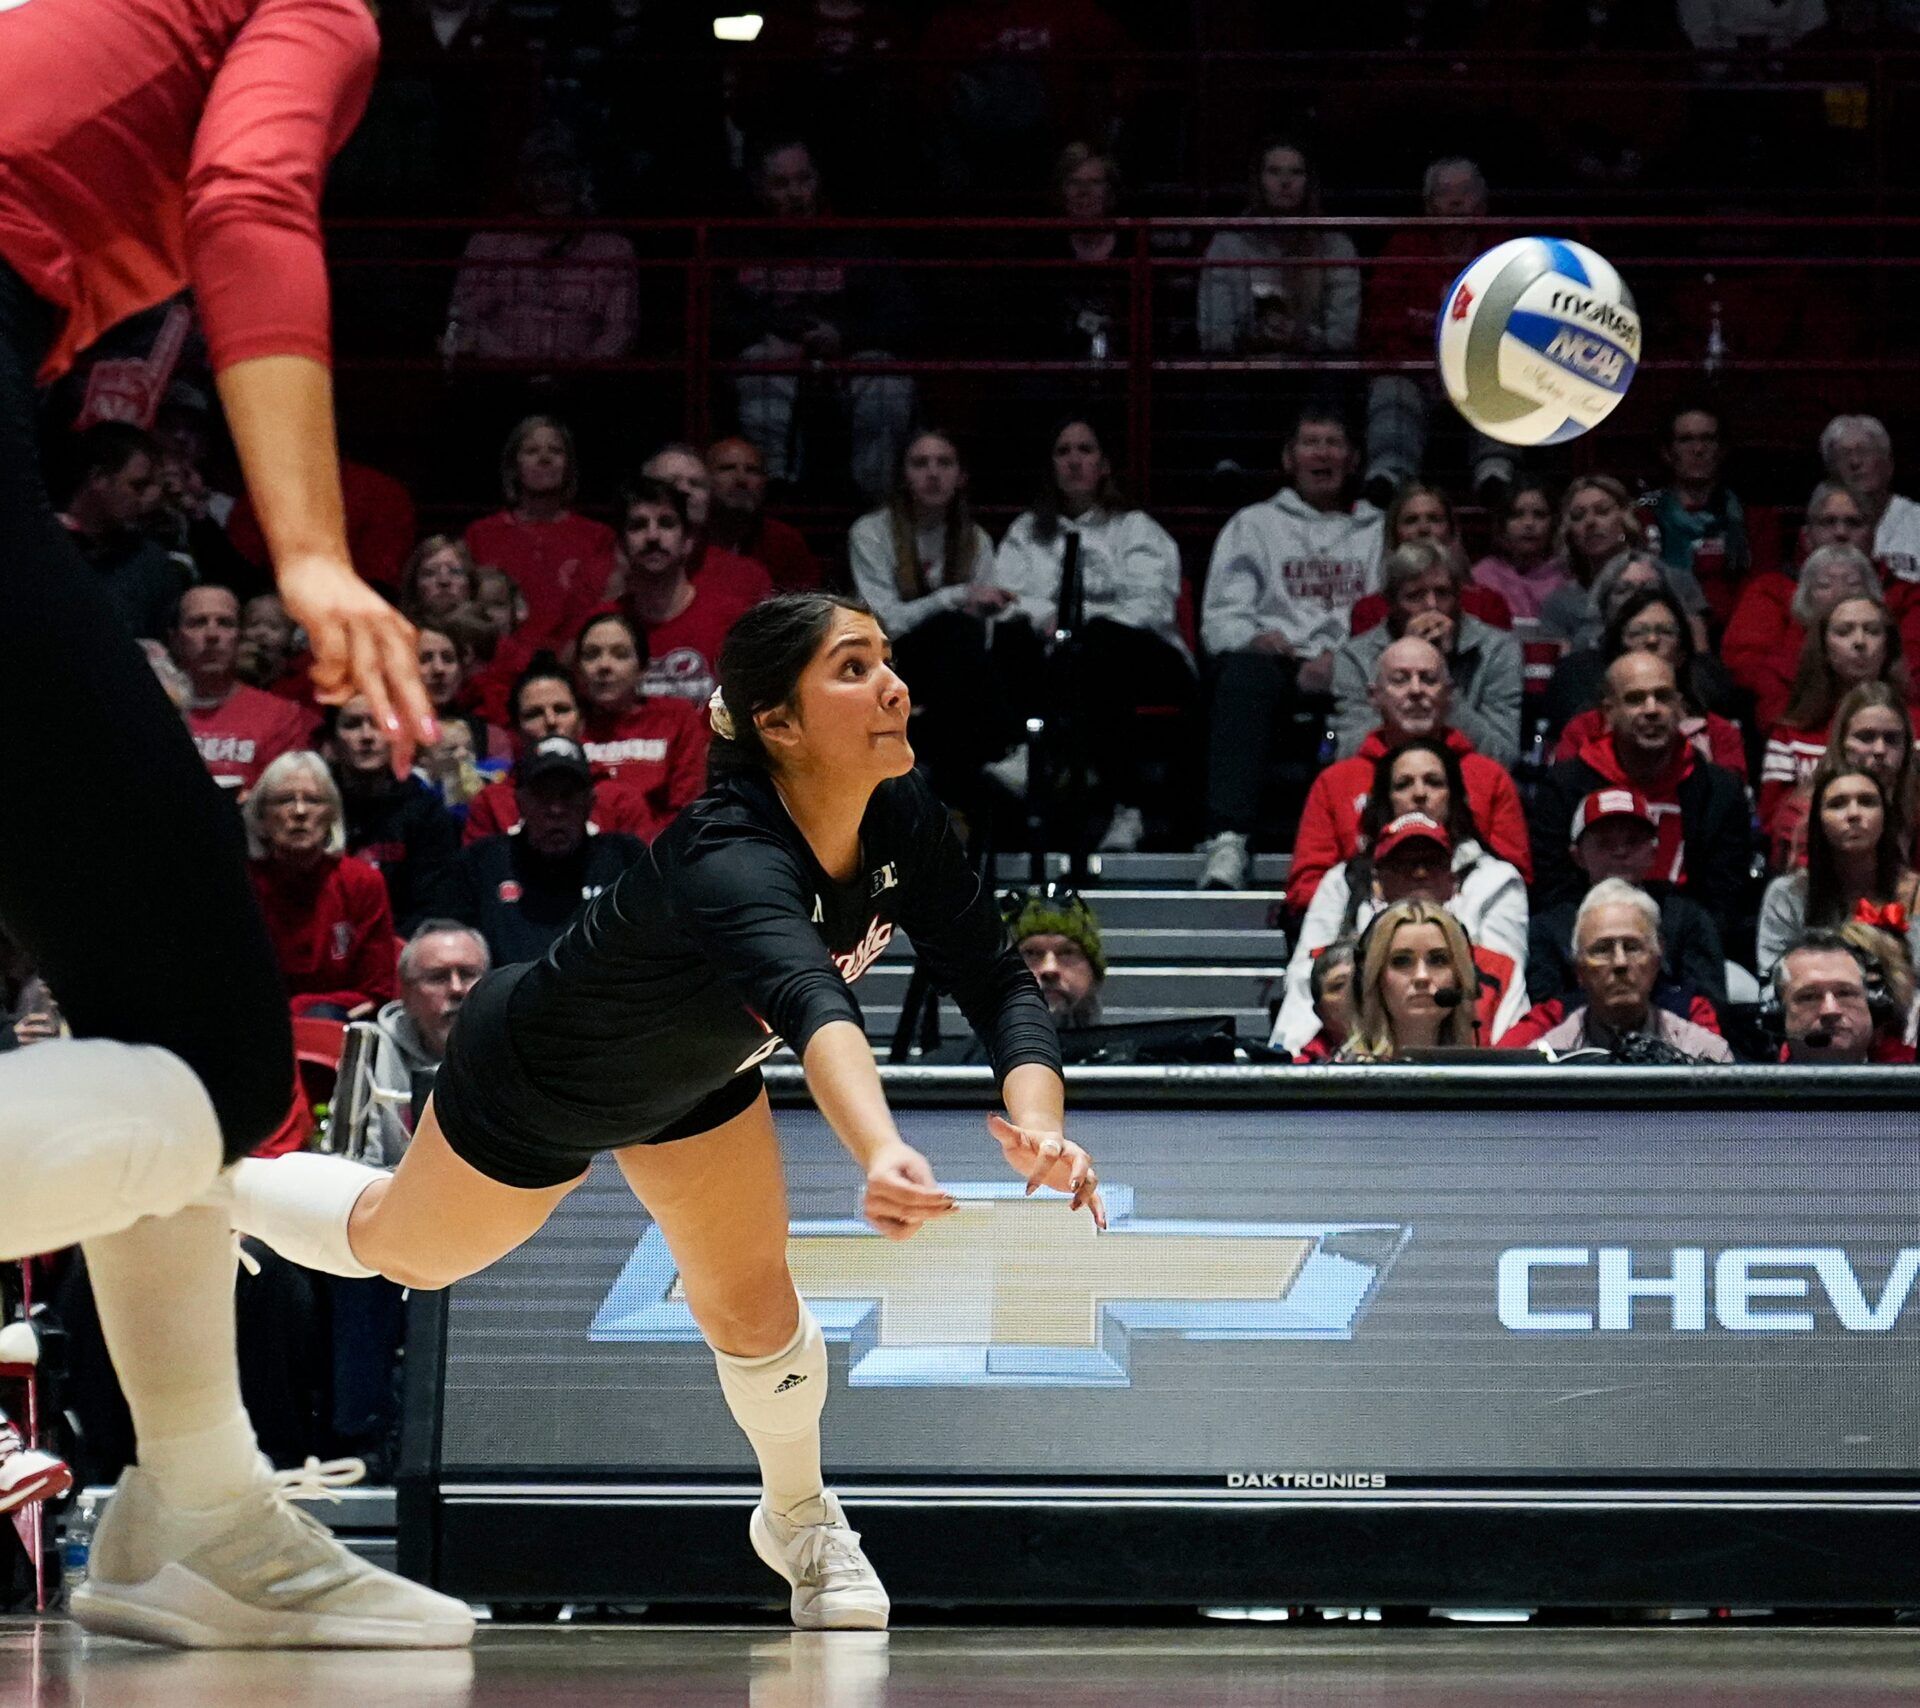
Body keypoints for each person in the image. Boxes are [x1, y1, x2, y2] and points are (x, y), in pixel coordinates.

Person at [215, 593, 1099, 1633]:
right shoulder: (731, 851)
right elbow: (817, 1004)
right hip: (545, 1071)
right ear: (776, 721)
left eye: (887, 660)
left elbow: (998, 983)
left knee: (756, 1308)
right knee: (406, 1250)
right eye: (854, 668)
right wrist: (882, 1148)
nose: (895, 685)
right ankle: (215, 1185)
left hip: (696, 1078)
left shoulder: (902, 816)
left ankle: (802, 1519)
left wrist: (1039, 1123)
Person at [1196, 405, 1385, 889]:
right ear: (1289, 459)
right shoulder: (1253, 525)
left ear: (1353, 459)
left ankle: (1369, 839)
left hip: (1359, 662)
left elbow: (1393, 608)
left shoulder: (1380, 528)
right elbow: (1220, 619)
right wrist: (1256, 640)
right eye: (1310, 443)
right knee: (1241, 675)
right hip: (1277, 664)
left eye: (1333, 443)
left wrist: (1343, 659)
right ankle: (1229, 839)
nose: (1322, 453)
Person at [989, 417, 1199, 851]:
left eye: (1084, 450)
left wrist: (1082, 624)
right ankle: (1019, 793)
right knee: (1012, 639)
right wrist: (1047, 616)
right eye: (1063, 451)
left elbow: (1153, 607)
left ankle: (1111, 797)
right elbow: (1006, 596)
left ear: (1103, 464)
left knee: (1100, 645)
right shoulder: (1026, 533)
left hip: (1143, 658)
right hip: (1057, 659)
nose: (1074, 461)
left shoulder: (1136, 528)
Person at [719, 137, 915, 499]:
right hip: (773, 360)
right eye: (781, 185)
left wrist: (844, 335)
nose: (795, 194)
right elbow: (718, 317)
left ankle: (876, 506)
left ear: (817, 181)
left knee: (887, 386)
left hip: (852, 357)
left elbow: (901, 318)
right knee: (761, 369)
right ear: (761, 190)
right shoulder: (739, 245)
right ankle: (772, 493)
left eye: (803, 180)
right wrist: (770, 332)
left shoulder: (857, 240)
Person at [846, 428, 1031, 804]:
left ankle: (964, 793)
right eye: (920, 463)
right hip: (892, 663)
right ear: (903, 475)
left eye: (944, 463)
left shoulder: (974, 538)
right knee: (955, 626)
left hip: (958, 673)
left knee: (1004, 634)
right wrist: (954, 597)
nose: (933, 473)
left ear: (961, 477)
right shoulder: (871, 532)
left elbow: (988, 628)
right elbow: (882, 625)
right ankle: (1011, 746)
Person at [1275, 781, 1529, 1053]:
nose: (1419, 874)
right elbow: (1290, 1049)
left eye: (1439, 959)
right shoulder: (1332, 972)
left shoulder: (1498, 972)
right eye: (1401, 961)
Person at [1288, 634, 1531, 912]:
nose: (1416, 690)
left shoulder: (1489, 777)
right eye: (1400, 680)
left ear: (1450, 694)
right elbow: (1305, 888)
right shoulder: (1335, 782)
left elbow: (1515, 882)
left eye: (1428, 679)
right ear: (1374, 696)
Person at [1529, 652, 1751, 945]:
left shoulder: (1720, 790)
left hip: (1691, 946)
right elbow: (1555, 892)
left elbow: (1724, 899)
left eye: (1663, 697)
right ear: (1608, 712)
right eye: (1635, 699)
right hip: (1589, 944)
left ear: (1680, 707)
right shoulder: (1565, 786)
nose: (1652, 709)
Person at [1361, 156, 1512, 504]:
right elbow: (1382, 329)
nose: (1456, 201)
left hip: (1479, 371)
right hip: (1416, 373)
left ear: (1483, 201)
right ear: (1428, 204)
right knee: (1390, 385)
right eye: (1445, 193)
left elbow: (1513, 327)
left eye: (1466, 192)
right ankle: (1389, 476)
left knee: (1507, 374)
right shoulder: (1402, 249)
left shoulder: (1502, 250)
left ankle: (1495, 474)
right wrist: (1427, 366)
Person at [1518, 787, 1728, 1013]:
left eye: (1633, 841)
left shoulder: (1689, 920)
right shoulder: (1548, 929)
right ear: (1577, 856)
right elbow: (1547, 1012)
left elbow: (1709, 1007)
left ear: (1653, 852)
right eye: (1604, 842)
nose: (1620, 851)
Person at [448, 736, 645, 965]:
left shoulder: (624, 859)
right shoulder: (482, 864)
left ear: (590, 803)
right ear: (520, 803)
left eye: (568, 795)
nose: (556, 810)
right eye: (543, 795)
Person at [1331, 540, 1523, 765]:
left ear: (1459, 597)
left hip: (1467, 782)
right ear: (1390, 604)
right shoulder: (1355, 657)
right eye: (1415, 596)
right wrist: (1408, 658)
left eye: (1443, 593)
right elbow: (1349, 753)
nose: (1432, 605)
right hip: (1383, 781)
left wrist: (1440, 676)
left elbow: (1502, 756)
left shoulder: (1496, 649)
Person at [466, 654, 690, 843]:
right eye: (533, 714)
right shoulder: (492, 804)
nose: (551, 721)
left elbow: (646, 884)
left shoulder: (620, 801)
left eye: (562, 709)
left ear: (581, 721)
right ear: (516, 729)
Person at [1502, 879, 1733, 1062]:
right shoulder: (1546, 1063)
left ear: (1656, 959)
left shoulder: (1704, 1055)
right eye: (1602, 949)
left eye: (1633, 947)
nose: (1620, 962)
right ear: (1579, 970)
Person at [246, 752, 400, 1022]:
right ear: (261, 817)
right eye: (284, 800)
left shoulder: (361, 882)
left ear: (332, 814)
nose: (300, 812)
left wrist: (301, 1009)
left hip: (340, 1026)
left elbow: (376, 991)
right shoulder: (245, 884)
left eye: (314, 800)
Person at [1545, 586, 1746, 776]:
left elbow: (1729, 801)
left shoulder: (1718, 733)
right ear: (1617, 652)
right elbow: (1564, 796)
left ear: (1682, 652)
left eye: (1665, 632)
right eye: (1637, 632)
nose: (1651, 640)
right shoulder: (1584, 730)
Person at [1759, 589, 1907, 838]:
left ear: (1888, 646)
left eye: (1872, 630)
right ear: (1824, 648)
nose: (1860, 641)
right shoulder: (1791, 732)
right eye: (1844, 631)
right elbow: (1775, 823)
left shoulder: (1915, 727)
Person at [1197, 139, 1360, 361]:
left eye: (1296, 172)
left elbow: (1343, 337)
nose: (1285, 181)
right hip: (1242, 370)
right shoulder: (1227, 244)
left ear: (1309, 182)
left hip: (1313, 370)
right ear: (1258, 181)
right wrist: (1253, 336)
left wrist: (1301, 337)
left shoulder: (1335, 246)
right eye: (1274, 172)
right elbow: (1213, 335)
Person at [1724, 494, 1878, 729]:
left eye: (1853, 583)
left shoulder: (1888, 642)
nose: (1840, 592)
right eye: (1825, 584)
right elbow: (1776, 718)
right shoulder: (1774, 600)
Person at [464, 414, 616, 651]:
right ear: (514, 466)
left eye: (555, 451)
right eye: (532, 451)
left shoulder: (597, 537)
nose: (544, 458)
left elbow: (604, 609)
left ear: (568, 466)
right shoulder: (481, 535)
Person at [1757, 762, 1920, 974]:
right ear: (1819, 822)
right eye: (1837, 804)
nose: (1854, 813)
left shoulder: (1916, 891)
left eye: (1867, 802)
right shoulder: (1788, 894)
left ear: (1885, 818)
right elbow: (1771, 979)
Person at [616, 477, 760, 707]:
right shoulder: (605, 625)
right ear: (621, 545)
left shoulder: (732, 620)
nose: (652, 536)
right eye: (638, 525)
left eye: (666, 523)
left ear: (688, 542)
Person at [326, 696, 462, 935]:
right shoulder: (316, 807)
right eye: (352, 724)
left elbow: (435, 907)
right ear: (332, 744)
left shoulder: (426, 813)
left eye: (378, 723)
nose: (367, 736)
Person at [366, 921, 491, 1166]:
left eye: (468, 974)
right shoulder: (371, 1052)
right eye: (437, 978)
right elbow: (356, 1166)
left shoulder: (517, 1051)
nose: (457, 989)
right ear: (407, 994)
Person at [172, 583, 313, 794]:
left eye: (225, 623)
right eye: (198, 623)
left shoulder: (280, 716)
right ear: (175, 639)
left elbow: (286, 796)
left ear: (240, 637)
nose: (212, 634)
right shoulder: (151, 712)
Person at [56, 421, 191, 639]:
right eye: (137, 486)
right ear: (98, 478)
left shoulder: (150, 563)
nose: (146, 498)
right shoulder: (38, 546)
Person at [1540, 476, 1706, 647]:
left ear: (1625, 518)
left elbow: (1701, 661)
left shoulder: (1674, 581)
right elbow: (1565, 670)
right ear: (1570, 532)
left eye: (1602, 511)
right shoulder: (1560, 603)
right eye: (1578, 516)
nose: (1590, 522)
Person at [1769, 681, 1919, 870]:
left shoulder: (1914, 810)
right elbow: (1804, 892)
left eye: (1892, 739)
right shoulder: (1801, 816)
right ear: (1841, 743)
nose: (1880, 750)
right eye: (1866, 737)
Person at [1637, 403, 1749, 623]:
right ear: (1667, 452)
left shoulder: (1751, 520)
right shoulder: (1643, 516)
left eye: (1708, 439)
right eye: (1686, 440)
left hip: (1733, 631)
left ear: (1722, 449)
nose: (1698, 449)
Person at [1332, 901, 1480, 1061]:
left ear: (1460, 977)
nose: (1422, 976)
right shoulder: (1336, 1082)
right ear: (1371, 978)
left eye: (1438, 960)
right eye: (1401, 961)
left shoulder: (1487, 1078)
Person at [639, 442, 775, 609]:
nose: (684, 490)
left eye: (695, 483)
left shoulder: (747, 576)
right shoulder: (607, 563)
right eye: (670, 482)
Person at [1774, 928, 1915, 1065]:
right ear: (1777, 1015)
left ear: (1874, 1007)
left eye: (1845, 993)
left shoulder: (1912, 1083)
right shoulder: (1754, 1086)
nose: (1830, 1010)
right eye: (1810, 997)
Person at [707, 436, 824, 593]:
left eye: (752, 470)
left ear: (765, 482)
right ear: (704, 479)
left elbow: (805, 609)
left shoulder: (785, 541)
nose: (741, 479)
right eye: (727, 468)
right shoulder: (687, 539)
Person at [1821, 412, 1920, 582]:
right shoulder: (1822, 525)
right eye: (1844, 454)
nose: (1855, 461)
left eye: (1864, 451)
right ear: (1831, 472)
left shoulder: (1916, 520)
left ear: (1888, 465)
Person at [416, 610, 513, 763]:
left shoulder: (489, 738)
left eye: (448, 659)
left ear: (462, 667)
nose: (438, 669)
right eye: (425, 659)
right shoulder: (384, 733)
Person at [1470, 477, 1571, 622]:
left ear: (1554, 523)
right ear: (1503, 524)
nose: (1529, 523)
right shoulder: (1482, 577)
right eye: (1517, 515)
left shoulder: (1567, 576)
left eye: (1539, 515)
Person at [1007, 887, 1106, 1029]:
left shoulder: (1129, 1050)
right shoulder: (967, 1052)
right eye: (1030, 953)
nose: (1049, 969)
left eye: (1067, 953)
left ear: (1095, 976)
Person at [1295, 936, 1358, 1062]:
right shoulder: (1305, 1068)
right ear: (1319, 1012)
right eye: (1338, 985)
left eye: (1359, 980)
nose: (1353, 991)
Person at [397, 533, 478, 630]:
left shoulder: (493, 639)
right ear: (414, 585)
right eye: (430, 573)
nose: (444, 581)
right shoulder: (395, 637)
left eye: (455, 572)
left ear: (471, 582)